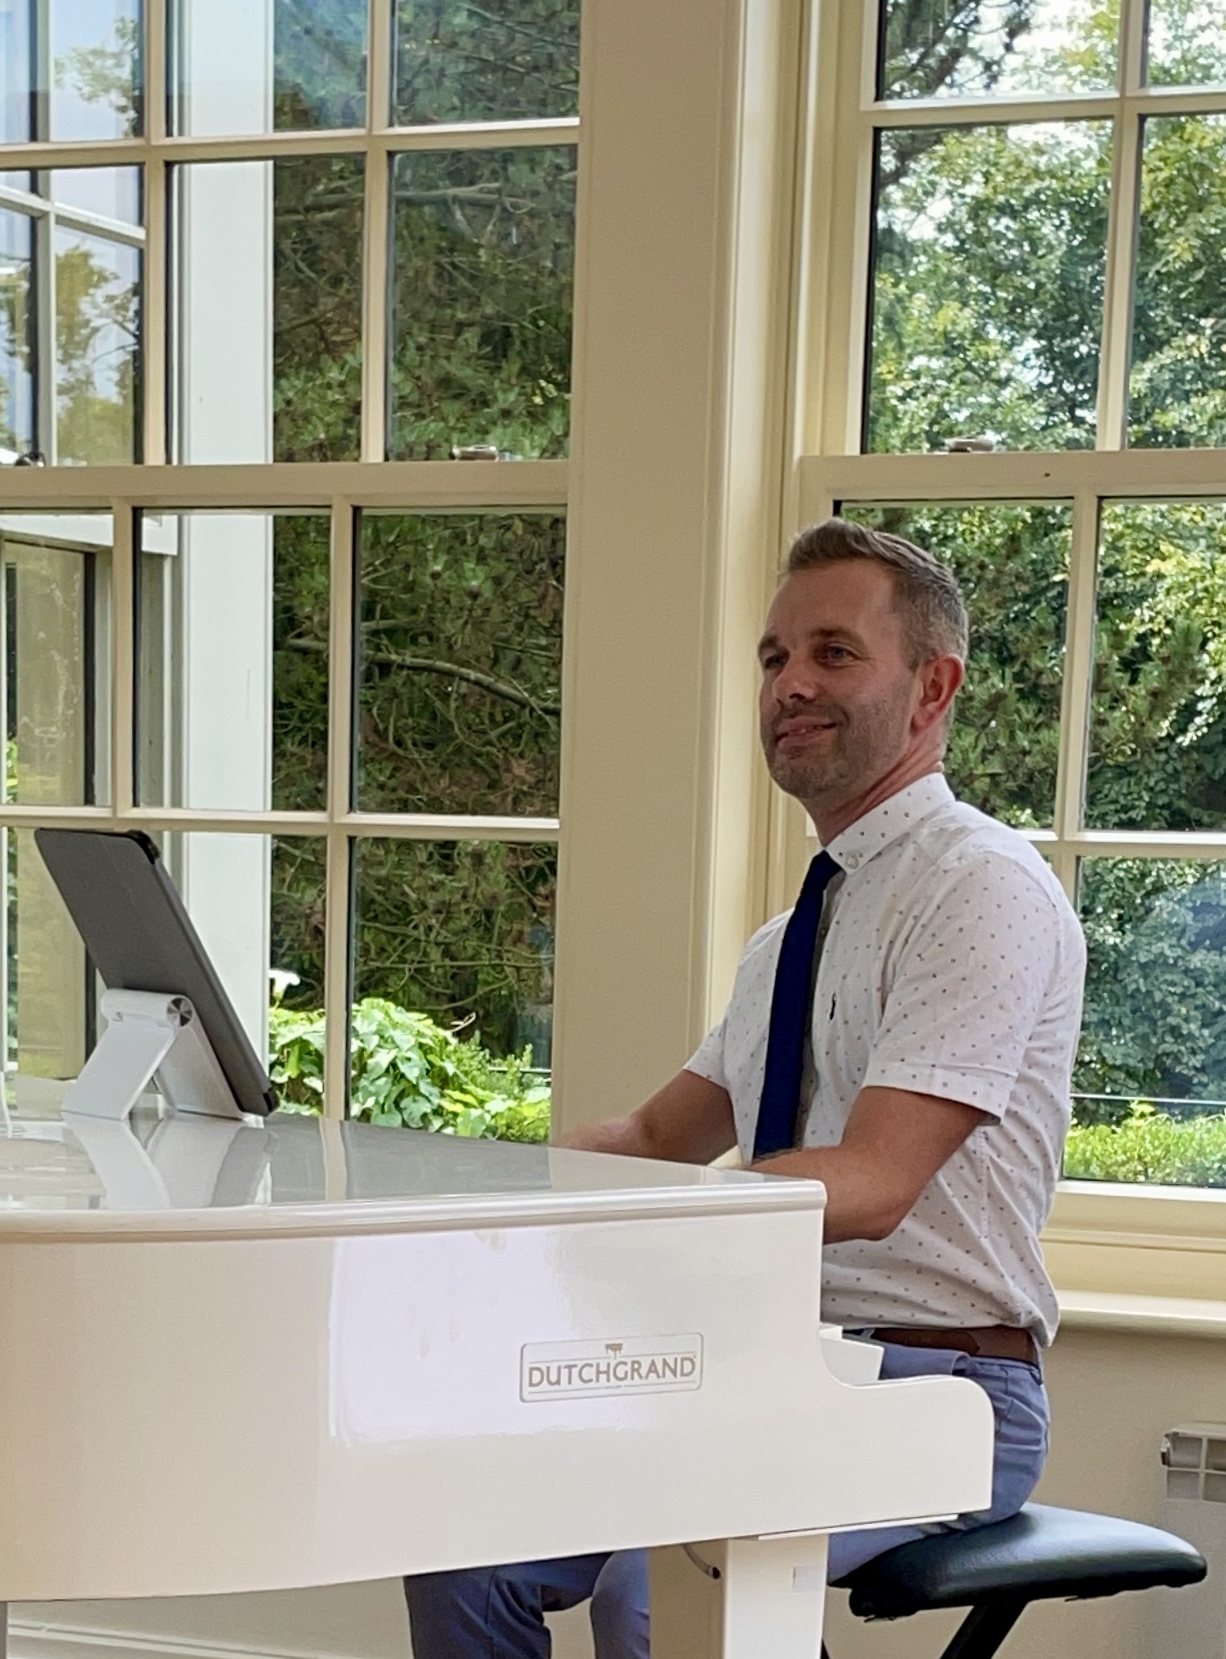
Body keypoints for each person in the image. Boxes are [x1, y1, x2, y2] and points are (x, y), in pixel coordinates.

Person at [404, 520, 1084, 1659]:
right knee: (462, 1538)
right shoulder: (793, 933)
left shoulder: (980, 890)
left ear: (933, 687)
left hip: (942, 1386)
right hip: (766, 1367)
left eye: (832, 653)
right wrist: (472, 1190)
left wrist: (660, 1237)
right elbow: (661, 1132)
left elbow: (870, 1185)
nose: (789, 686)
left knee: (657, 1589)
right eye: (773, 659)